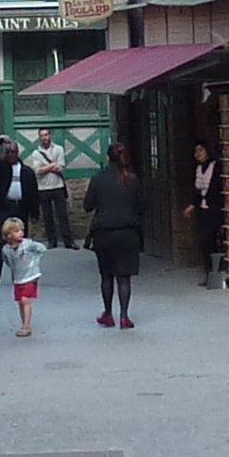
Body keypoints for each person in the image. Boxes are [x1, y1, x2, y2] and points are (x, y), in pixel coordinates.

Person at [84, 148, 148, 327]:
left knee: (106, 276)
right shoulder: (132, 179)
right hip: (128, 233)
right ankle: (125, 316)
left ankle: (108, 313)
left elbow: (87, 206)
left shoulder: (98, 179)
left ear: (108, 157)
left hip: (103, 233)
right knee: (124, 277)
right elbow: (142, 205)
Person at [28, 128, 73, 258]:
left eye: (46, 135)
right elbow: (38, 170)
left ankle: (68, 240)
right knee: (47, 216)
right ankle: (51, 240)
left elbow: (61, 166)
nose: (44, 138)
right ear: (39, 137)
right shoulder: (36, 153)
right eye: (42, 135)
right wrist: (51, 166)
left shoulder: (58, 149)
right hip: (43, 188)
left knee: (62, 215)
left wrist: (46, 167)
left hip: (57, 186)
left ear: (50, 136)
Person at [189, 144, 226, 287]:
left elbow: (216, 188)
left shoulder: (215, 167)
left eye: (201, 150)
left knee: (211, 239)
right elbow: (197, 191)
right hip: (203, 210)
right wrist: (192, 205)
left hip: (214, 209)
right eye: (196, 151)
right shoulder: (199, 169)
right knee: (204, 241)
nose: (197, 154)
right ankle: (209, 272)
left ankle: (216, 272)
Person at [0, 215, 40, 337]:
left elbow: (41, 249)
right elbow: (7, 261)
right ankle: (24, 323)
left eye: (21, 230)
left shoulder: (28, 244)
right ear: (9, 235)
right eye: (17, 231)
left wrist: (33, 262)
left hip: (30, 276)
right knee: (20, 302)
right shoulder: (6, 249)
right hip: (18, 278)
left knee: (25, 300)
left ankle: (27, 326)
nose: (21, 233)